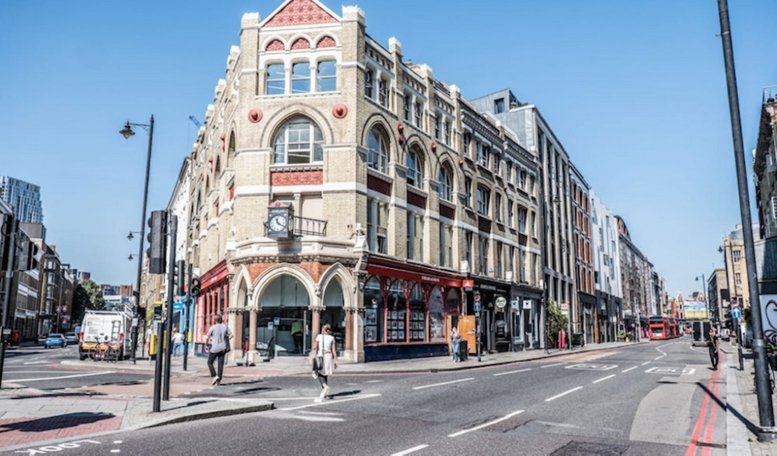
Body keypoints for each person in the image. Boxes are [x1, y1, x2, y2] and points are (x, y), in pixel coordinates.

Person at [310, 323, 338, 402]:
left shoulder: (319, 336)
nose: (322, 330)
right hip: (328, 356)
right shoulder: (332, 338)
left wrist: (312, 353)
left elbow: (315, 347)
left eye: (323, 329)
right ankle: (325, 393)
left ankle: (325, 386)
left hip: (321, 356)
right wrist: (335, 360)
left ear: (325, 330)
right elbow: (334, 351)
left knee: (318, 372)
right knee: (325, 373)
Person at [206, 315, 233, 386]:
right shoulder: (225, 326)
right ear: (221, 320)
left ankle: (215, 376)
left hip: (215, 348)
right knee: (220, 364)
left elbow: (207, 337)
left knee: (209, 362)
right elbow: (231, 335)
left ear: (215, 320)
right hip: (223, 348)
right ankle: (218, 380)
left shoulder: (213, 327)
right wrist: (225, 339)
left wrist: (206, 345)